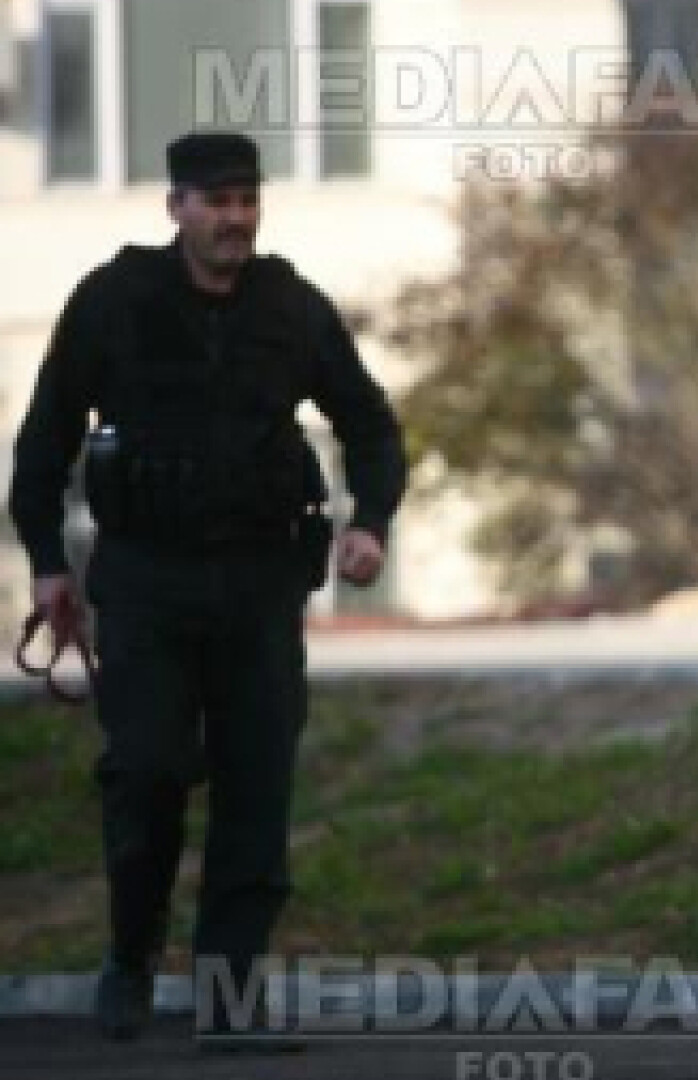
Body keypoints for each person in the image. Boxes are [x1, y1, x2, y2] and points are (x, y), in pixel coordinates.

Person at [6, 131, 407, 1050]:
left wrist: (370, 522)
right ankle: (131, 958)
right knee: (144, 772)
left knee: (255, 793)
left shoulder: (291, 308)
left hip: (261, 584)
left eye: (246, 202)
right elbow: (43, 442)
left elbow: (371, 426)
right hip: (147, 581)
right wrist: (49, 563)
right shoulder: (115, 302)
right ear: (176, 206)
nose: (233, 219)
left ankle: (227, 1001)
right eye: (214, 202)